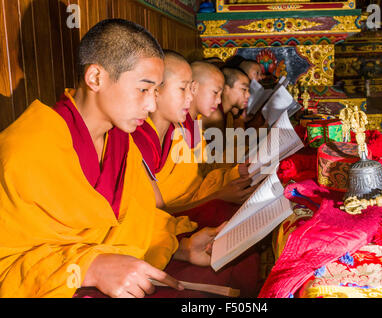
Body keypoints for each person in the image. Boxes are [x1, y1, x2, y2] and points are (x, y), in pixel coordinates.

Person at [0, 19, 227, 298]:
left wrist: (183, 247)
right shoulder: (25, 148)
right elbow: (7, 266)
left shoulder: (121, 144)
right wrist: (86, 268)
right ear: (95, 78)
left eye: (155, 92)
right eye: (143, 89)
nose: (152, 105)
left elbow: (139, 221)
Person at [132, 51, 254, 212]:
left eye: (191, 88)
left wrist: (236, 173)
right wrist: (217, 196)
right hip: (175, 218)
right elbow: (156, 214)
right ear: (155, 90)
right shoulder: (139, 139)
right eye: (183, 88)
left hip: (192, 201)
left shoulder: (185, 126)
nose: (191, 96)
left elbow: (201, 173)